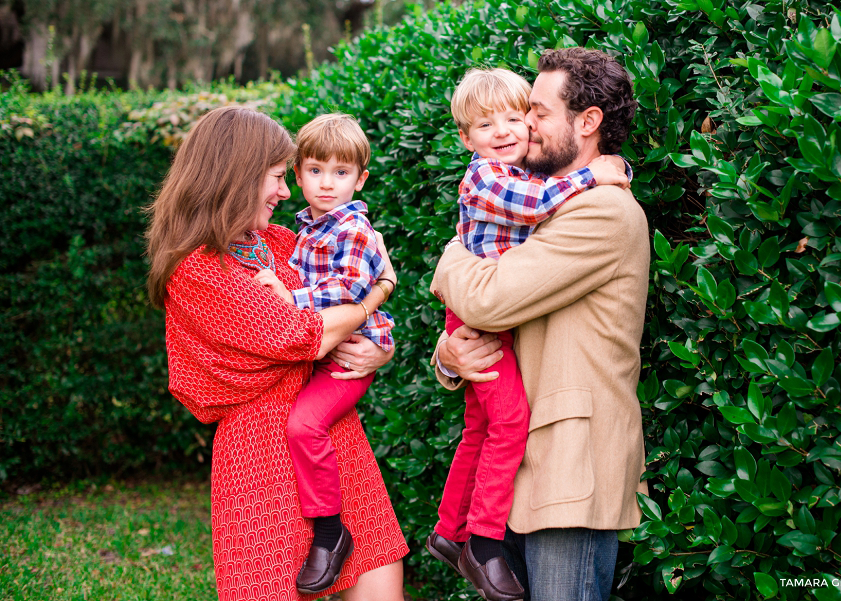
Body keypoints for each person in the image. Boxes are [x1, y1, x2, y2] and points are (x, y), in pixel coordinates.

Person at [146, 105, 407, 601]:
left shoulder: (282, 241)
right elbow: (303, 334)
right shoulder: (197, 270)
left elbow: (351, 277)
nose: (287, 192)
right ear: (235, 177)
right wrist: (379, 293)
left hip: (331, 439)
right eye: (274, 178)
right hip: (259, 458)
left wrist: (378, 348)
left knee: (379, 582)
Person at [430, 48, 649, 601]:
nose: (524, 125)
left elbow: (489, 299)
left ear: (587, 122)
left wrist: (451, 255)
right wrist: (448, 358)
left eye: (538, 111)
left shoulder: (605, 212)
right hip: (520, 471)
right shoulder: (534, 207)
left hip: (572, 472)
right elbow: (492, 326)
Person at [253, 113, 396, 595]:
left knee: (304, 425)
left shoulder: (353, 230)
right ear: (297, 175)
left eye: (341, 173)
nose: (327, 184)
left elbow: (348, 289)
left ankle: (331, 534)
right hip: (326, 353)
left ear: (361, 179)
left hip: (348, 357)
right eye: (315, 170)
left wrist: (284, 298)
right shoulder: (303, 230)